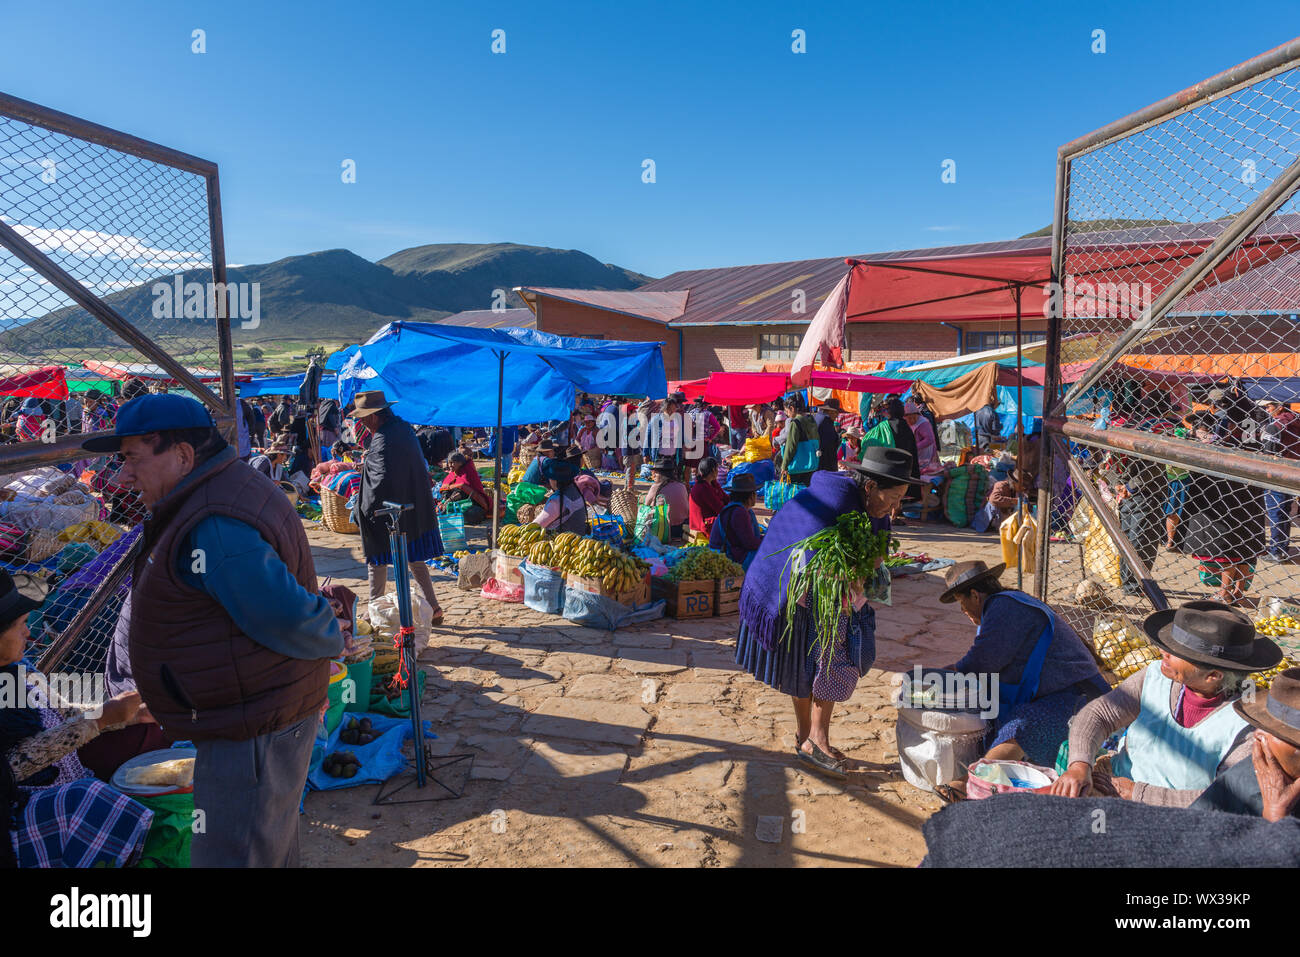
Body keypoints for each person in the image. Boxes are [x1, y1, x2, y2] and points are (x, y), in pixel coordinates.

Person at [81, 393, 345, 866]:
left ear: (182, 456)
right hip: (256, 713)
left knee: (236, 852)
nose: (122, 475)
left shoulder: (214, 522)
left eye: (131, 459)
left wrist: (332, 632)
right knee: (265, 847)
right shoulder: (217, 491)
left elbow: (287, 616)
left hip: (252, 725)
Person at [735, 447, 918, 779]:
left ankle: (809, 736)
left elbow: (873, 556)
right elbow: (803, 552)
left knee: (821, 663)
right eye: (891, 499)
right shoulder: (833, 505)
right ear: (868, 487)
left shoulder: (868, 509)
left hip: (825, 594)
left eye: (900, 500)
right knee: (817, 663)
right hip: (797, 590)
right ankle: (812, 737)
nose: (894, 508)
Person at [0, 569, 160, 868]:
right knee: (90, 798)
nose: (29, 633)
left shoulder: (19, 668)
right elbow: (12, 768)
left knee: (151, 732)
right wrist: (99, 721)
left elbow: (59, 711)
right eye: (21, 625)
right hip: (16, 811)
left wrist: (125, 715)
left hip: (67, 773)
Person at [1051, 600, 1282, 806]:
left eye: (1176, 652)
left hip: (1178, 819)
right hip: (1112, 784)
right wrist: (1080, 765)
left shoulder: (1247, 723)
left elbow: (1224, 798)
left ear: (1213, 675)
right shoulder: (1155, 677)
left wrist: (1139, 794)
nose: (1163, 652)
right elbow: (1099, 714)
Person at [928, 561, 1109, 801]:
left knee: (1021, 725)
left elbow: (980, 663)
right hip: (1057, 693)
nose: (963, 611)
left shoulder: (1003, 607)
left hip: (1080, 697)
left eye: (962, 603)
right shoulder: (1005, 605)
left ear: (974, 595)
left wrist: (938, 679)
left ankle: (967, 784)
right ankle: (993, 767)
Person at [352, 390, 445, 624]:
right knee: (414, 558)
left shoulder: (384, 438)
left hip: (391, 508)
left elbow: (380, 478)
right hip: (411, 506)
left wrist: (364, 508)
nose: (362, 423)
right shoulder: (403, 430)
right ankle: (434, 607)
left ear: (373, 416)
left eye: (363, 418)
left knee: (377, 557)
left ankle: (375, 607)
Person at [1192, 667, 1300, 821]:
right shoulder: (1243, 779)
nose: (1257, 735)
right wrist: (1276, 813)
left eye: (1278, 733)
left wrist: (1276, 816)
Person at [1260, 398, 1300, 561]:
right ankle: (1281, 547)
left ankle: (1277, 550)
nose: (1266, 410)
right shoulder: (1297, 420)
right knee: (1284, 509)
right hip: (1294, 471)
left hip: (1277, 473)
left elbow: (1269, 453)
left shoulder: (1275, 426)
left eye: (1268, 406)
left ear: (1280, 406)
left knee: (1276, 510)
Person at [708, 473, 765, 569]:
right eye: (755, 493)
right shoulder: (739, 512)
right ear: (751, 496)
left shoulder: (739, 509)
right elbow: (749, 543)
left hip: (728, 552)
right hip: (725, 557)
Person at [533, 457, 589, 534]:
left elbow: (536, 525)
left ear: (555, 480)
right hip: (579, 537)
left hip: (565, 543)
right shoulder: (575, 490)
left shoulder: (558, 501)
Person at [440, 450, 494, 525]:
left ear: (460, 463)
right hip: (454, 501)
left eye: (452, 462)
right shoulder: (453, 473)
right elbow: (446, 488)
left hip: (469, 502)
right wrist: (444, 501)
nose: (450, 465)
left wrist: (449, 501)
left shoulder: (468, 473)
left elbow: (465, 492)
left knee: (470, 514)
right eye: (449, 462)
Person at [645, 456, 690, 543]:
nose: (653, 475)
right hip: (682, 528)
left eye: (654, 473)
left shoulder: (656, 487)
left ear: (659, 474)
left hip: (663, 529)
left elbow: (646, 506)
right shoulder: (682, 486)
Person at [779, 395, 821, 486]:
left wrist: (784, 465)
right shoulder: (811, 420)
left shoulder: (796, 422)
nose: (787, 414)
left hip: (798, 467)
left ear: (792, 408)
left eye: (787, 411)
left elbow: (791, 446)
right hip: (812, 464)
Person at [688, 456, 728, 535]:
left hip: (711, 520)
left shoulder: (712, 483)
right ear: (713, 470)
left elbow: (725, 498)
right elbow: (719, 508)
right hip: (704, 526)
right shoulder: (703, 488)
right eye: (717, 469)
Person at [904, 400, 941, 475]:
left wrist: (914, 447)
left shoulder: (923, 423)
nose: (912, 420)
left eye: (914, 417)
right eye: (909, 418)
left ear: (918, 415)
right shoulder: (907, 423)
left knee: (930, 473)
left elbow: (929, 439)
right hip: (919, 455)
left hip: (928, 454)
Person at [812, 398, 842, 473]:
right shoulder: (825, 422)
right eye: (836, 412)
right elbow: (829, 445)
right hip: (825, 465)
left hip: (819, 462)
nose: (837, 415)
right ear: (830, 411)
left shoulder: (819, 418)